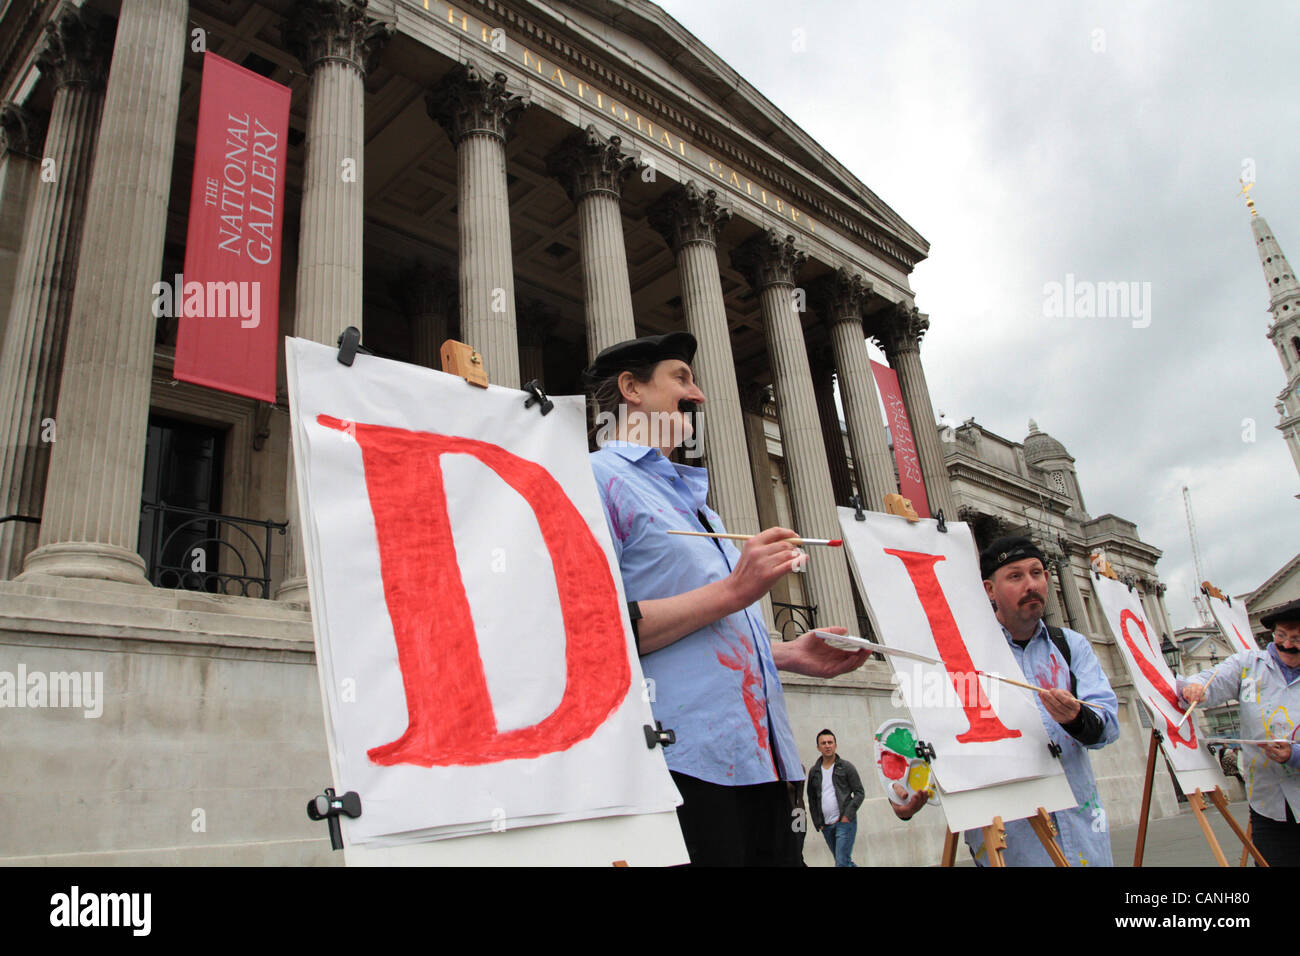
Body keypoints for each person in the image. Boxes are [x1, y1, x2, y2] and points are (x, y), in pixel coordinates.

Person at [583, 332, 867, 866]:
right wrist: (736, 590)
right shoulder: (596, 480)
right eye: (681, 378)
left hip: (766, 762)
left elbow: (705, 631)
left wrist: (787, 654)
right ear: (631, 389)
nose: (700, 394)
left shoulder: (699, 506)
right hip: (684, 763)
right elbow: (595, 630)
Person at [891, 535, 1121, 866]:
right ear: (989, 590)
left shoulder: (1072, 646)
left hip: (1083, 832)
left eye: (1037, 573)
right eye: (1015, 576)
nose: (1032, 585)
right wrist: (914, 789)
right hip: (1012, 844)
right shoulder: (961, 658)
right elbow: (941, 739)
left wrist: (1076, 718)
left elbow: (1107, 726)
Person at [1179, 597, 1300, 866]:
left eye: (1296, 638)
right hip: (1268, 802)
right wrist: (1196, 688)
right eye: (1281, 635)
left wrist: (1294, 754)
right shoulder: (1249, 664)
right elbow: (1210, 680)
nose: (1287, 644)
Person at [805, 729, 865, 866]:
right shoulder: (814, 771)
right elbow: (812, 799)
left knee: (841, 863)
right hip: (826, 826)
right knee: (844, 862)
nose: (827, 745)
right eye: (823, 743)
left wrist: (847, 816)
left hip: (844, 823)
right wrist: (818, 823)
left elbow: (860, 793)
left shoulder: (846, 767)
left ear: (835, 745)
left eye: (830, 742)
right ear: (818, 747)